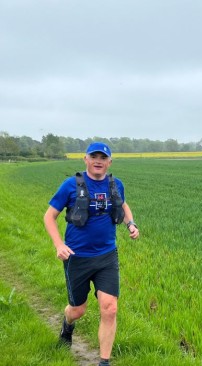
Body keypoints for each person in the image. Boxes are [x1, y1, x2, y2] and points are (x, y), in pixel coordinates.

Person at [44, 142, 139, 366]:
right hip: (77, 257)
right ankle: (67, 325)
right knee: (78, 310)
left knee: (110, 307)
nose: (98, 160)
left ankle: (103, 362)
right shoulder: (70, 185)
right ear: (85, 159)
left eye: (103, 157)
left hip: (107, 256)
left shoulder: (116, 185)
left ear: (109, 162)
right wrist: (59, 245)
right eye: (93, 156)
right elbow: (49, 216)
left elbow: (123, 206)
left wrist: (131, 224)